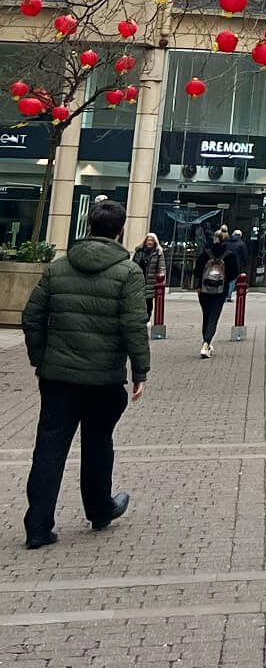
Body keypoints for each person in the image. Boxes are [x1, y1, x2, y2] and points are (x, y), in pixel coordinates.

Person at [21, 198, 147, 549]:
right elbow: (134, 325)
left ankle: (37, 527)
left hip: (58, 378)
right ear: (120, 230)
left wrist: (41, 360)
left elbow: (31, 317)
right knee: (97, 443)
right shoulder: (129, 273)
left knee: (49, 448)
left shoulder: (59, 268)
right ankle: (99, 510)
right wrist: (140, 370)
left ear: (87, 226)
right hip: (104, 378)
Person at [196, 228, 235, 357]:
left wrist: (198, 285)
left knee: (206, 316)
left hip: (204, 289)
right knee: (214, 316)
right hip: (220, 290)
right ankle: (206, 343)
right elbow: (234, 272)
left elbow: (197, 270)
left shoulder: (206, 252)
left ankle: (206, 343)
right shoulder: (229, 254)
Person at [130, 232, 165, 313]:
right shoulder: (139, 252)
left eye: (151, 241)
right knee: (137, 302)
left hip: (151, 281)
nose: (149, 242)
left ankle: (147, 319)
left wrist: (161, 279)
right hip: (139, 280)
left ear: (155, 242)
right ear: (145, 241)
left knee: (148, 303)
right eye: (148, 240)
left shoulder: (158, 253)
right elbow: (133, 264)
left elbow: (161, 267)